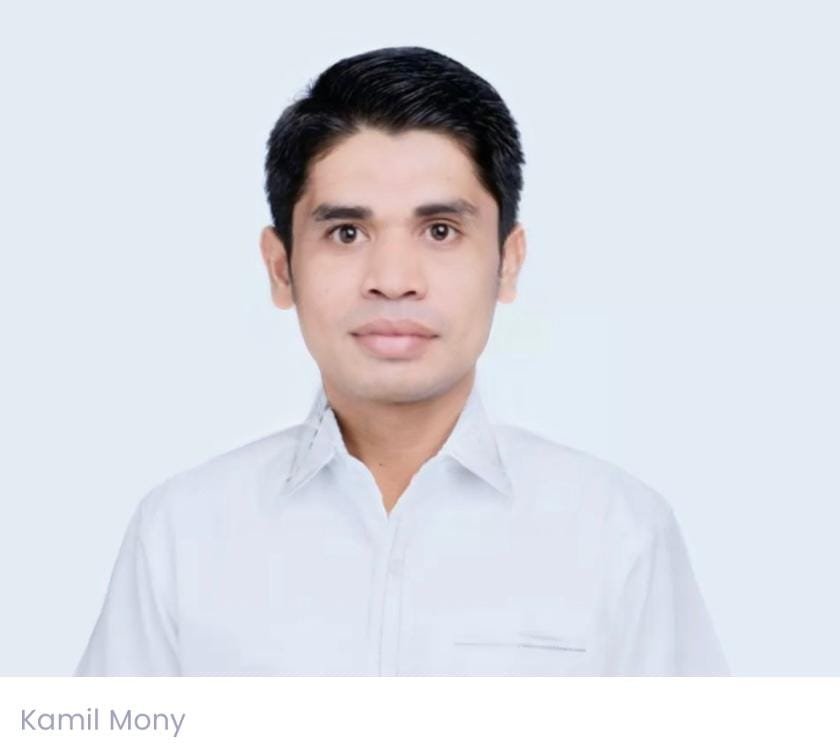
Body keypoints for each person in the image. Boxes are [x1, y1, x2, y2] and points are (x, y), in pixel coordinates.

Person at [75, 46, 729, 677]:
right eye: (347, 232)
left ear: (508, 262)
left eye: (440, 231)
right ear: (281, 267)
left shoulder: (619, 534)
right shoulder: (182, 535)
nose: (393, 280)